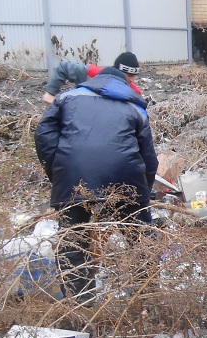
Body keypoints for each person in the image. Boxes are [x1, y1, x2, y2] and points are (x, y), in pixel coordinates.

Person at [35, 66, 159, 301]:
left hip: (74, 177)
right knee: (140, 238)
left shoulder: (66, 98)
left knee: (73, 241)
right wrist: (143, 194)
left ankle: (82, 305)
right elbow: (149, 157)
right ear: (124, 85)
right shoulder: (135, 107)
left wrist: (58, 172)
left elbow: (43, 135)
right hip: (125, 178)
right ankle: (146, 298)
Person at [42, 51, 143, 105]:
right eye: (129, 75)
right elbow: (64, 67)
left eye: (134, 76)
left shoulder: (134, 92)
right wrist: (50, 92)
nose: (132, 80)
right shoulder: (92, 74)